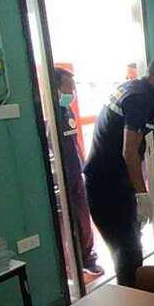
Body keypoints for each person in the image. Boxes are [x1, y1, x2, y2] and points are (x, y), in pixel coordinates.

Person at [84, 54, 154, 286]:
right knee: (126, 250)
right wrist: (141, 194)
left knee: (131, 245)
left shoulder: (140, 90)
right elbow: (129, 151)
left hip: (116, 179)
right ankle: (131, 297)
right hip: (106, 184)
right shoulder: (139, 98)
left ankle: (134, 293)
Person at [54, 68, 103, 276]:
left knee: (83, 216)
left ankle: (87, 258)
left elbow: (74, 143)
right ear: (56, 88)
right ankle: (71, 264)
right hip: (62, 175)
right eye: (68, 87)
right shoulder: (50, 115)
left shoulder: (67, 111)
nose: (72, 92)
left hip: (76, 173)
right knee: (68, 221)